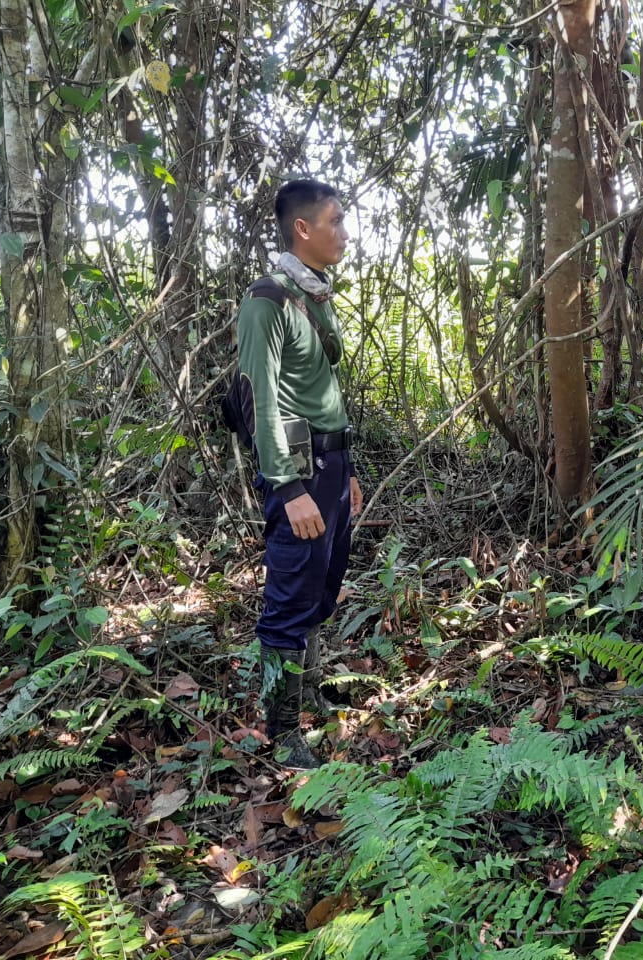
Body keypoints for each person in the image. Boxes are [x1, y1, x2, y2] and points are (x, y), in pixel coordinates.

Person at [236, 178, 362, 769]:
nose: (344, 233)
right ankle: (282, 731)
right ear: (302, 229)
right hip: (298, 471)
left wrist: (347, 469)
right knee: (289, 598)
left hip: (330, 465)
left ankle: (307, 690)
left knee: (322, 588)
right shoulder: (267, 301)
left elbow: (321, 390)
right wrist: (288, 489)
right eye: (335, 221)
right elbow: (262, 400)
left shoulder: (311, 295)